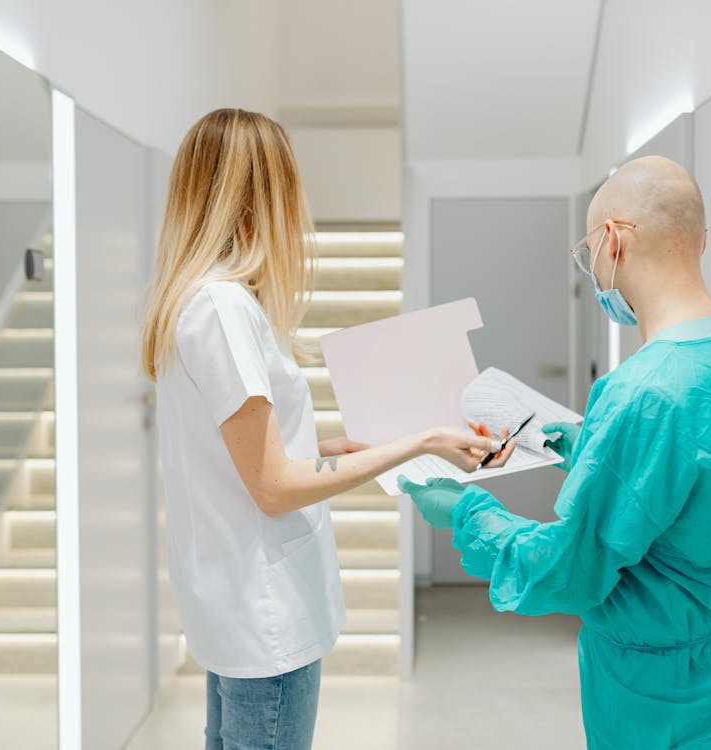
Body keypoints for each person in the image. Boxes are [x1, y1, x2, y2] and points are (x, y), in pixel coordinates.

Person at [400, 156, 711, 749]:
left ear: (612, 240)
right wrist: (584, 444)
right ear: (698, 240)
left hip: (665, 703)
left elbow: (571, 570)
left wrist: (465, 513)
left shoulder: (642, 392)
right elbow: (704, 485)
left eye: (587, 250)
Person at [141, 109, 508, 750]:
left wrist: (322, 449)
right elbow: (274, 488)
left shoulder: (195, 302)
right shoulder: (223, 307)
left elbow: (245, 459)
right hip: (265, 618)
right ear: (260, 198)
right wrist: (420, 440)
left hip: (236, 609)